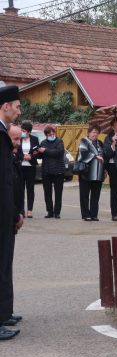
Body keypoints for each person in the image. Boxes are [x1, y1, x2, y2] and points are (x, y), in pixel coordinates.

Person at [0, 85, 21, 340]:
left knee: (4, 265)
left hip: (5, 214)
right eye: (16, 107)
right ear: (5, 106)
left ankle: (3, 314)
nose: (18, 111)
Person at [77, 125, 105, 221]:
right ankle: (86, 214)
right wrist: (95, 156)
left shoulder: (100, 143)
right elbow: (83, 154)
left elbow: (105, 155)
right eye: (93, 132)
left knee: (95, 195)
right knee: (84, 195)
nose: (95, 134)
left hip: (98, 174)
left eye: (96, 132)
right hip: (86, 173)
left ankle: (94, 214)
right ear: (88, 133)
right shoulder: (84, 141)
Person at [37, 126, 65, 219]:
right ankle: (50, 211)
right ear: (46, 135)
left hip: (59, 171)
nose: (52, 135)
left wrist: (45, 150)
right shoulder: (43, 143)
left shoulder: (59, 141)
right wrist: (38, 152)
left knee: (58, 193)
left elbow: (59, 152)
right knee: (47, 193)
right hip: (46, 171)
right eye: (49, 134)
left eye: (53, 133)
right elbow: (40, 156)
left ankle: (57, 212)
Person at [19, 121, 39, 218]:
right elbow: (15, 151)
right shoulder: (18, 139)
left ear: (29, 132)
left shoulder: (35, 139)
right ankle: (21, 210)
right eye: (21, 130)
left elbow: (37, 152)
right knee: (20, 189)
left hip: (31, 167)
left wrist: (31, 156)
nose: (22, 132)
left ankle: (30, 210)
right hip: (20, 167)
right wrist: (23, 156)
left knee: (30, 189)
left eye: (24, 131)